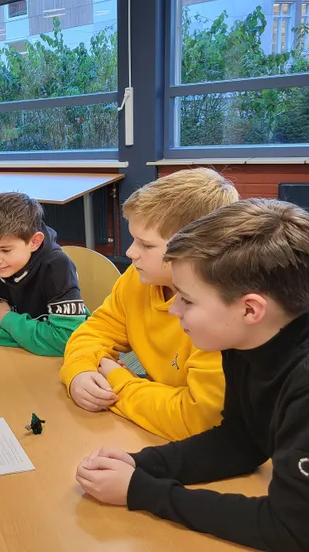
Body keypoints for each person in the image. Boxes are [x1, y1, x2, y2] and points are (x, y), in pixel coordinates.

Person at [75, 199, 309, 551]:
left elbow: (292, 528)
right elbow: (243, 440)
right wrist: (142, 465)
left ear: (250, 309)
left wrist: (141, 491)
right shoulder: (244, 340)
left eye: (187, 299)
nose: (173, 309)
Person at [60, 168, 239, 441]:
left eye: (146, 245)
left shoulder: (221, 315)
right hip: (150, 425)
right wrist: (80, 371)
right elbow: (95, 331)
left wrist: (118, 382)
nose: (130, 252)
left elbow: (199, 419)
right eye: (134, 239)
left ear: (196, 251)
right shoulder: (138, 278)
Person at [0, 192, 88, 356]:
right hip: (9, 355)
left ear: (34, 242)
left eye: (5, 250)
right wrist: (34, 339)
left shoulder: (58, 265)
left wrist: (5, 318)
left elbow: (65, 339)